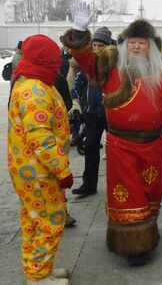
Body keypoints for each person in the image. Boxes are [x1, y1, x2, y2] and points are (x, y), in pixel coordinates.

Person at [61, 6, 162, 267]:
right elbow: (86, 60)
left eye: (142, 43)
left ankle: (147, 232)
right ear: (125, 45)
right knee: (127, 193)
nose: (136, 47)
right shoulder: (110, 64)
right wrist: (79, 32)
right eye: (132, 42)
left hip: (152, 144)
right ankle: (134, 246)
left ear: (151, 46)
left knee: (151, 190)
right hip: (121, 144)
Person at [8, 34, 73, 285]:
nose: (58, 62)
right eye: (54, 58)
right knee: (49, 221)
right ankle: (38, 277)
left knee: (33, 219)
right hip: (39, 172)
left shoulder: (35, 82)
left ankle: (37, 268)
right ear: (44, 60)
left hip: (30, 170)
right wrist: (62, 169)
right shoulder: (34, 90)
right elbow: (41, 138)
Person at [70, 27, 112, 197]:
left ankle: (120, 184)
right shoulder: (87, 65)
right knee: (91, 148)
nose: (96, 48)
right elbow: (77, 85)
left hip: (111, 114)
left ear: (108, 46)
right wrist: (76, 102)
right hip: (92, 114)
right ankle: (89, 184)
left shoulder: (113, 64)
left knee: (117, 151)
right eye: (94, 44)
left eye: (100, 45)